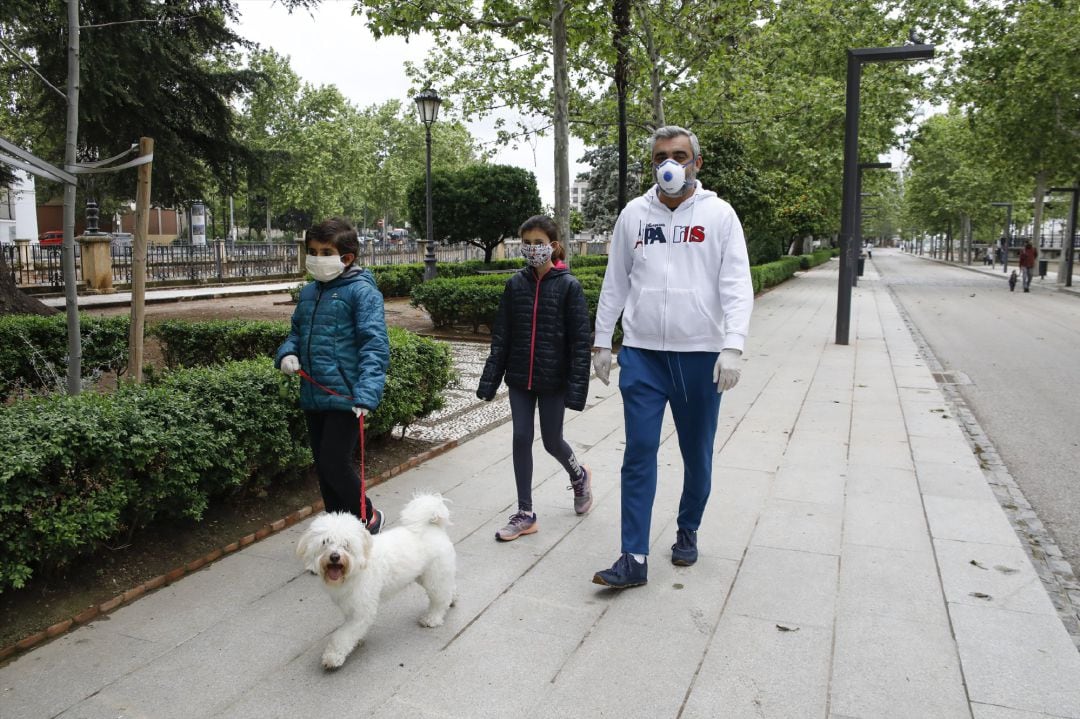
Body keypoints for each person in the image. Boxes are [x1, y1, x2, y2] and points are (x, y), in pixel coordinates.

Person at [590, 125, 754, 588]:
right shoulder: (634, 215)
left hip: (700, 356)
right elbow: (615, 281)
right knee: (638, 452)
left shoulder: (720, 216)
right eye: (662, 156)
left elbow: (737, 286)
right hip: (643, 355)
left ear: (696, 163)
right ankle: (633, 556)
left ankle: (688, 527)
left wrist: (733, 345)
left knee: (696, 455)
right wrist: (604, 341)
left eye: (680, 155)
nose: (671, 164)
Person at [476, 214, 593, 541]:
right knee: (521, 437)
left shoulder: (569, 286)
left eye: (538, 243)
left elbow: (580, 342)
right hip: (519, 379)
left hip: (553, 380)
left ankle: (579, 475)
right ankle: (525, 512)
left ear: (553, 246)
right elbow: (502, 336)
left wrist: (575, 389)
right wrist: (489, 381)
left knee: (552, 441)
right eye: (526, 243)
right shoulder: (515, 285)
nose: (531, 249)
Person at [276, 218, 390, 533]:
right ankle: (336, 536)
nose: (316, 257)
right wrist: (287, 353)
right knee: (324, 471)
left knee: (334, 463)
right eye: (312, 251)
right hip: (313, 394)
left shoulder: (362, 292)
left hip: (347, 397)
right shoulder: (309, 293)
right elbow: (296, 333)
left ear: (347, 257)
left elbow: (375, 346)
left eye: (325, 252)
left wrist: (366, 393)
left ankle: (367, 518)